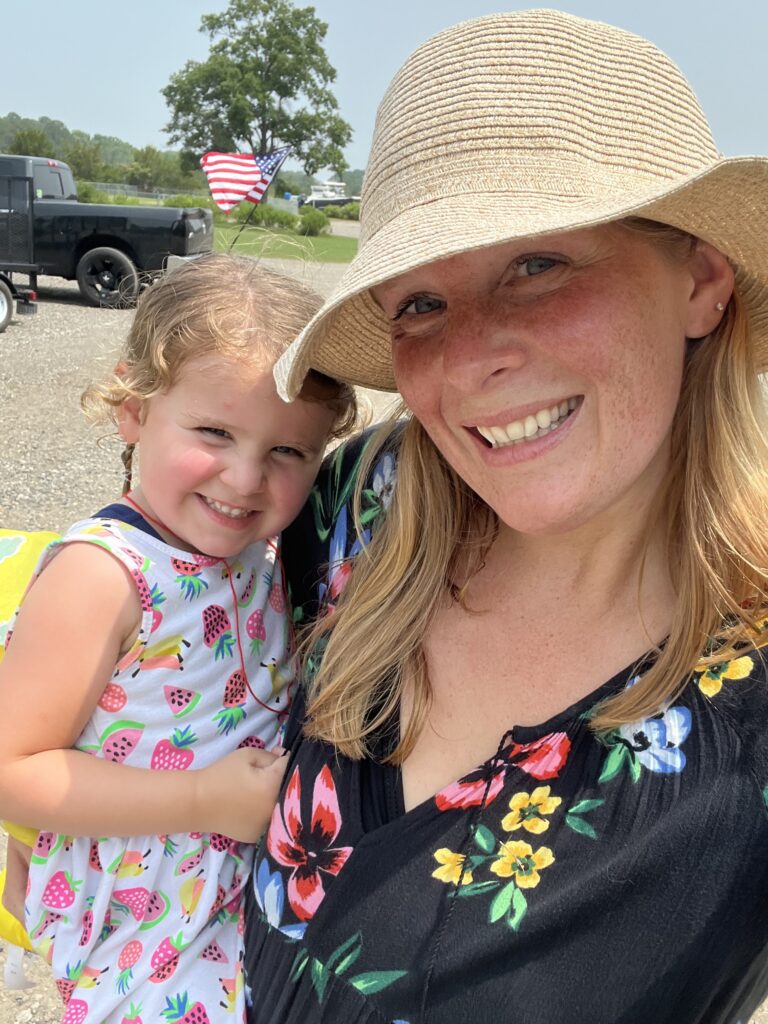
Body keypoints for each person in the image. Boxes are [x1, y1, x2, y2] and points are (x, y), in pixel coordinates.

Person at [241, 11, 768, 1024]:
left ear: (701, 280)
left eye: (537, 265)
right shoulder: (356, 507)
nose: (474, 355)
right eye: (420, 304)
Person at [0, 254, 356, 1023]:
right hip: (143, 906)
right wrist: (201, 798)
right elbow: (11, 768)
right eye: (215, 432)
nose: (243, 479)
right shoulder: (105, 574)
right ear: (133, 407)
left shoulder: (254, 554)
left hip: (229, 878)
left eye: (287, 452)